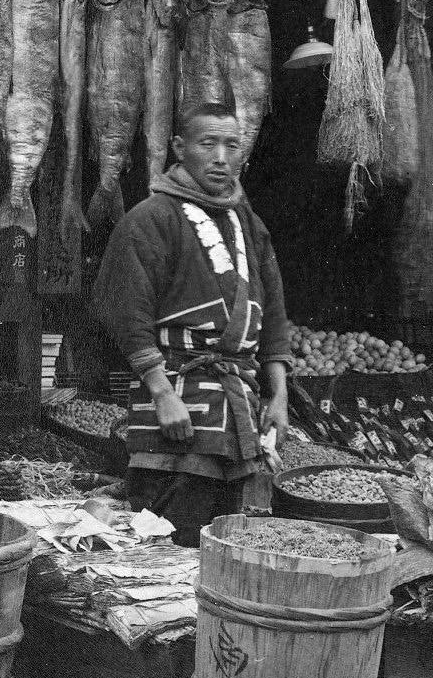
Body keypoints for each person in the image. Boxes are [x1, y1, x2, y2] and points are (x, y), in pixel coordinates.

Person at [90, 104, 292, 547]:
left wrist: (279, 394)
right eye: (209, 143)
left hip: (237, 406)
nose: (221, 157)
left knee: (220, 544)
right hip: (177, 404)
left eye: (232, 145)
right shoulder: (150, 218)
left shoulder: (249, 225)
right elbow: (126, 313)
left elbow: (273, 313)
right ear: (180, 149)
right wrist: (162, 394)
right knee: (164, 545)